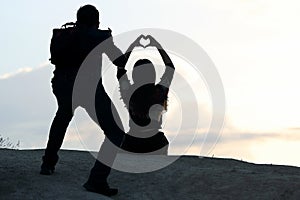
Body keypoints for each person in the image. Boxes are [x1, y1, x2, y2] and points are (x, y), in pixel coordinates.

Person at [41, 5, 128, 196]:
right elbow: (119, 60)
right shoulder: (99, 37)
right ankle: (96, 180)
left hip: (62, 85)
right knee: (115, 133)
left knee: (62, 117)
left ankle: (47, 164)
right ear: (97, 21)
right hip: (90, 89)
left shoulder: (66, 34)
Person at [117, 35, 175, 154]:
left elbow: (120, 69)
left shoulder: (129, 92)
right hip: (156, 142)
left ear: (134, 75)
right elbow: (170, 68)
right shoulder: (160, 91)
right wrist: (157, 46)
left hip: (132, 142)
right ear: (152, 74)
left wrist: (132, 46)